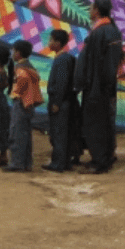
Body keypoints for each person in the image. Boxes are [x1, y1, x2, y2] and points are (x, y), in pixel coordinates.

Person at [75, 0, 123, 174]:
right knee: (104, 122)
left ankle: (100, 161)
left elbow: (97, 64)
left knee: (96, 124)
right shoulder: (110, 31)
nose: (89, 11)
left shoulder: (101, 32)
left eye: (90, 8)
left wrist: (90, 85)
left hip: (97, 87)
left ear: (96, 11)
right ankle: (105, 157)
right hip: (103, 86)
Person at [3, 40, 42, 173]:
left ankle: (17, 163)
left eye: (14, 51)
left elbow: (22, 81)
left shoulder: (20, 68)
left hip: (21, 103)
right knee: (25, 134)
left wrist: (17, 93)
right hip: (29, 104)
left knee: (16, 133)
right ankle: (26, 163)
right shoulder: (30, 66)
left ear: (18, 53)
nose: (13, 53)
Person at [43, 30, 78, 173]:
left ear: (57, 43)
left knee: (59, 133)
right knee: (63, 133)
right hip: (64, 102)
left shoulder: (62, 60)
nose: (49, 43)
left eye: (51, 40)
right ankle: (64, 162)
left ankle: (58, 163)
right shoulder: (64, 58)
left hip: (60, 102)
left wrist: (57, 102)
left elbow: (61, 83)